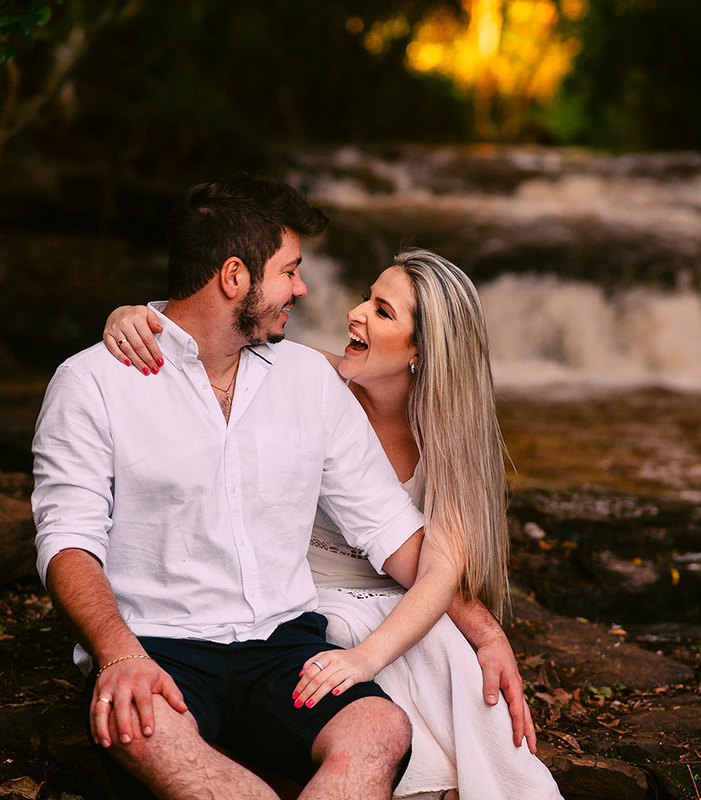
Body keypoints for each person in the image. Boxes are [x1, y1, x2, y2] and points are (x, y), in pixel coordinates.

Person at [32, 174, 467, 800]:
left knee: (379, 727)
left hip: (285, 649)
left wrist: (482, 632)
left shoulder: (309, 381)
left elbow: (397, 536)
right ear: (234, 277)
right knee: (158, 741)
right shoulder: (93, 382)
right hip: (159, 646)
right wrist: (117, 653)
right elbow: (67, 542)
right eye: (290, 271)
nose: (303, 288)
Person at [103, 249, 565, 800]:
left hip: (403, 595)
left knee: (440, 644)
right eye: (367, 296)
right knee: (344, 636)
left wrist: (486, 635)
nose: (355, 312)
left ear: (423, 350)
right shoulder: (309, 378)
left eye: (383, 311)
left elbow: (438, 569)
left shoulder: (451, 436)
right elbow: (211, 333)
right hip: (304, 599)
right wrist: (134, 316)